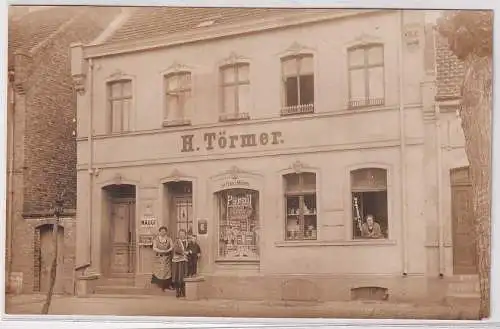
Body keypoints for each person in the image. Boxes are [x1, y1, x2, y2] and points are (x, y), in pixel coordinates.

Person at [151, 226, 173, 291]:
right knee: (160, 271)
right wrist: (161, 251)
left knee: (167, 272)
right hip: (159, 258)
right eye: (162, 231)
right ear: (159, 232)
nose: (163, 233)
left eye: (164, 231)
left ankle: (167, 285)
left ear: (166, 232)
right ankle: (161, 285)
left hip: (167, 257)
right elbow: (154, 248)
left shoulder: (169, 239)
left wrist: (168, 250)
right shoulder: (156, 239)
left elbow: (172, 246)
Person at [171, 229, 189, 298]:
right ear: (179, 234)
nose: (182, 235)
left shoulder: (187, 242)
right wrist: (183, 252)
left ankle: (183, 289)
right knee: (177, 276)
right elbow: (175, 249)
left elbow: (189, 249)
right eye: (180, 234)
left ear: (185, 234)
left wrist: (188, 252)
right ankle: (177, 291)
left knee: (183, 275)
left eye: (183, 234)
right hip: (177, 261)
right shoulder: (177, 241)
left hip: (184, 260)